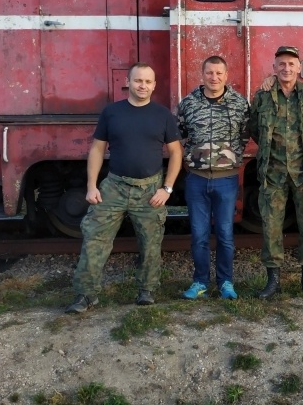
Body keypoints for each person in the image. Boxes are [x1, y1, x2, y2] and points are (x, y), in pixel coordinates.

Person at [65, 63, 183, 314]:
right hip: (114, 187)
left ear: (154, 85)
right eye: (138, 80)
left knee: (150, 243)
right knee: (95, 239)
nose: (143, 86)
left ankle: (147, 290)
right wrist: (91, 186)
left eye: (148, 81)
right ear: (127, 82)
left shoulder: (162, 115)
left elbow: (176, 153)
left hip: (150, 190)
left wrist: (167, 188)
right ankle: (86, 294)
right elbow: (97, 149)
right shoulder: (112, 112)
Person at [248, 45, 303, 298]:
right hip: (272, 171)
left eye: (291, 64)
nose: (286, 68)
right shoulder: (262, 96)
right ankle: (273, 280)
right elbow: (254, 129)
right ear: (274, 68)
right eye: (281, 64)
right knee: (271, 226)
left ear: (299, 67)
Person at [177, 56, 250, 300]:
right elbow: (181, 134)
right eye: (209, 72)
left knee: (225, 234)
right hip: (196, 179)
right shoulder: (188, 103)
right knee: (199, 235)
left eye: (219, 73)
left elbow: (245, 134)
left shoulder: (239, 103)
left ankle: (225, 282)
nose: (214, 77)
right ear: (202, 74)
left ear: (226, 75)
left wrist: (228, 156)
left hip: (226, 179)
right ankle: (200, 282)